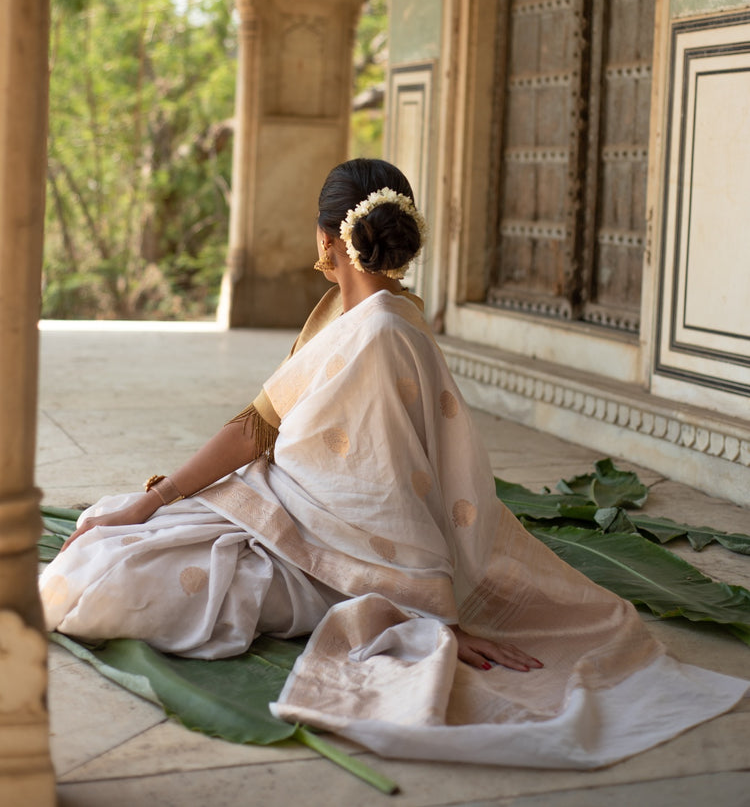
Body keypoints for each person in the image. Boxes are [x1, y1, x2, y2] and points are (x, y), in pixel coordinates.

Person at [40, 158, 747, 768]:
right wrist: (150, 502)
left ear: (328, 239)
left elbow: (386, 490)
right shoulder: (377, 316)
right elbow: (264, 428)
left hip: (330, 558)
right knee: (106, 527)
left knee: (99, 581)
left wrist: (433, 612)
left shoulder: (380, 331)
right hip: (284, 510)